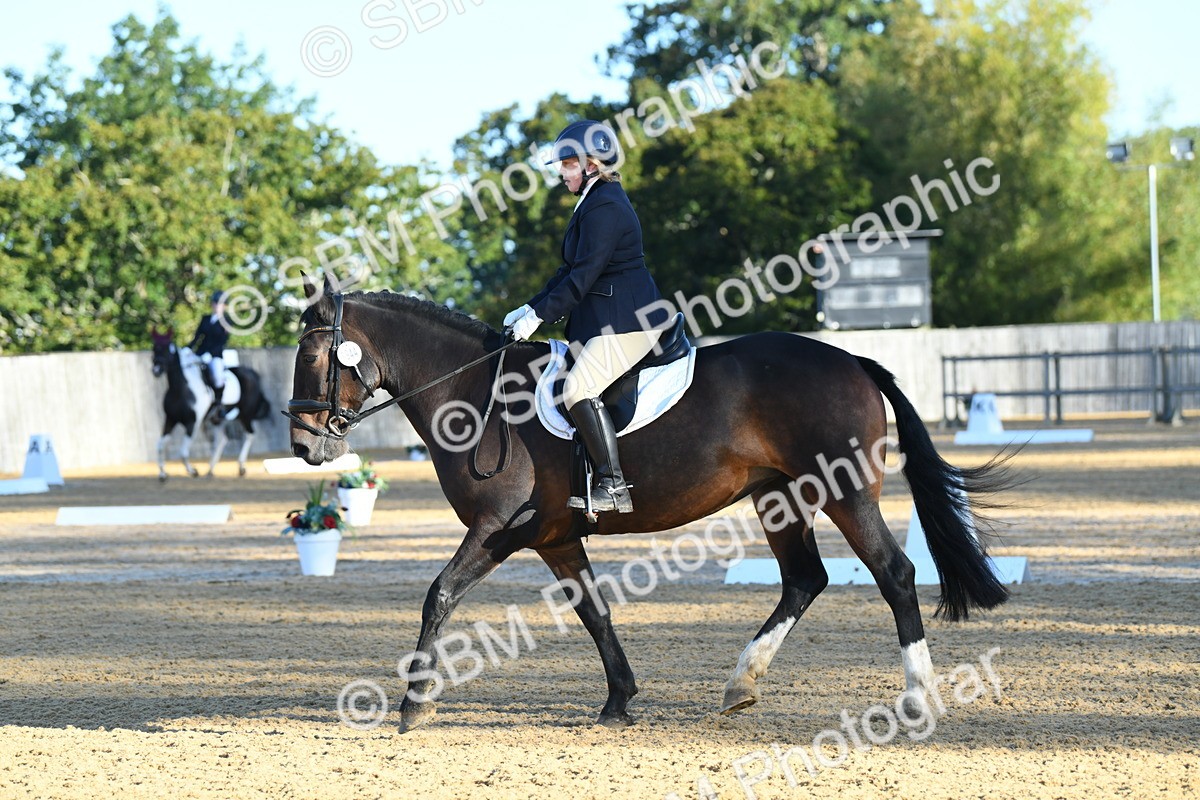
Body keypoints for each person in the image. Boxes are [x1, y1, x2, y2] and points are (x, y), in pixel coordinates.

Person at [504, 120, 667, 514]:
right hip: (604, 322)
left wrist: (539, 318)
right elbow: (567, 271)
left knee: (576, 388)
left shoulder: (606, 206)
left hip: (630, 322)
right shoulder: (593, 202)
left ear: (591, 164)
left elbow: (583, 277)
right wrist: (531, 307)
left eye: (568, 164)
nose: (562, 172)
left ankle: (613, 485)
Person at [189, 289, 236, 423]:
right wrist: (188, 349)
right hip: (200, 353)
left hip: (215, 355)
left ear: (224, 306)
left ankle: (219, 405)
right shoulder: (205, 319)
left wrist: (210, 354)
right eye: (215, 303)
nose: (216, 306)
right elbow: (197, 337)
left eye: (219, 303)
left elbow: (222, 341)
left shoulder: (227, 321)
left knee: (217, 376)